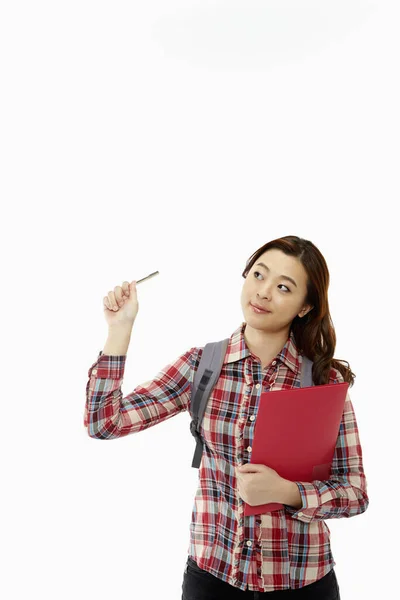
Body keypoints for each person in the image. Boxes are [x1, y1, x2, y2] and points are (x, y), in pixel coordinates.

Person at [84, 235, 369, 599]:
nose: (263, 292)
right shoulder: (201, 366)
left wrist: (288, 492)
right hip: (212, 579)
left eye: (283, 287)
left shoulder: (323, 382)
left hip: (302, 584)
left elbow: (355, 492)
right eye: (258, 275)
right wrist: (119, 329)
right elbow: (104, 422)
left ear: (304, 307)